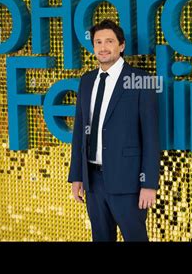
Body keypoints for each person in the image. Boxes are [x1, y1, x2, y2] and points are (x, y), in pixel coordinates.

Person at [68, 19, 161, 241]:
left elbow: (151, 136)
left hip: (128, 181)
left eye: (109, 41)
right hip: (93, 181)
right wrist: (77, 176)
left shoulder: (140, 80)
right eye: (98, 42)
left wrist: (149, 184)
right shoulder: (87, 81)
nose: (103, 47)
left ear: (121, 45)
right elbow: (80, 130)